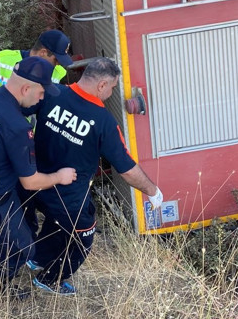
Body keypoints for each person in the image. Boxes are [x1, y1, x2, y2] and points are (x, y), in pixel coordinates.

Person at [24, 57, 163, 295]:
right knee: (82, 239)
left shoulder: (52, 93)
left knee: (55, 223)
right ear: (101, 85)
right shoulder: (103, 122)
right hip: (69, 197)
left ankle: (37, 258)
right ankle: (49, 279)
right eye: (111, 88)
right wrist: (153, 191)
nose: (110, 94)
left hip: (35, 183)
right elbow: (127, 170)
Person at [0, 56, 77, 292]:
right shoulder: (18, 126)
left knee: (12, 242)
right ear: (25, 88)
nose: (42, 98)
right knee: (21, 248)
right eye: (41, 92)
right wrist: (60, 176)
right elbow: (30, 182)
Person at [0, 29, 73, 86]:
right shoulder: (6, 59)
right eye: (56, 59)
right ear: (43, 52)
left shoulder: (58, 73)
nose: (58, 64)